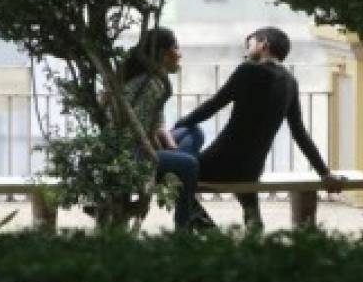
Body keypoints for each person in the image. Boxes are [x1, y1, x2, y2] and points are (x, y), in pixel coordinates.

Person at [173, 26, 343, 230]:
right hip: (252, 169)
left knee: (175, 179)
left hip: (219, 163)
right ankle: (253, 219)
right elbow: (299, 133)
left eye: (249, 45)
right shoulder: (290, 82)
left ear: (264, 45)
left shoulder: (247, 70)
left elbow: (213, 105)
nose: (245, 52)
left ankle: (210, 232)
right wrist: (324, 172)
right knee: (244, 168)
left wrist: (181, 124)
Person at [117, 27, 204, 230]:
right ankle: (184, 225)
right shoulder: (149, 85)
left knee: (194, 131)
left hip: (145, 145)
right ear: (163, 54)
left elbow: (157, 126)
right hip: (134, 152)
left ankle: (172, 175)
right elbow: (141, 135)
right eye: (176, 47)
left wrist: (172, 152)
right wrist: (170, 155)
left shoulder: (154, 81)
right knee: (190, 164)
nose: (180, 53)